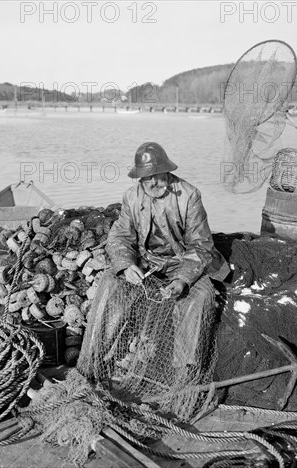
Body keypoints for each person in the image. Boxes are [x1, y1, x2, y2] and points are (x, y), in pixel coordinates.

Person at [78, 142, 230, 389]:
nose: (153, 182)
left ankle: (183, 377)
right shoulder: (131, 196)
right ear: (139, 177)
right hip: (146, 262)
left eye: (157, 175)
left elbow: (200, 245)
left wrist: (182, 280)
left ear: (167, 171)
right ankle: (91, 363)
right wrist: (127, 265)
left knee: (200, 296)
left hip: (182, 261)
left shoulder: (190, 195)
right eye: (146, 178)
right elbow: (120, 237)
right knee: (110, 283)